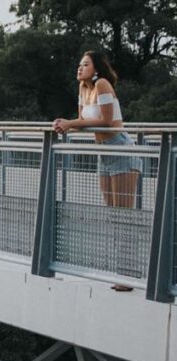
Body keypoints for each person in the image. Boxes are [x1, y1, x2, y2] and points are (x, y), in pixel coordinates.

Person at [52, 50, 140, 291]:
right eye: (79, 64)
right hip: (104, 152)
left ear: (97, 68)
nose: (79, 68)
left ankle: (128, 276)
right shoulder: (83, 88)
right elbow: (83, 119)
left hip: (120, 149)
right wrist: (64, 123)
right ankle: (122, 272)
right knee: (112, 215)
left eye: (85, 64)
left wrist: (70, 124)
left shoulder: (102, 84)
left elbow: (106, 121)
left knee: (124, 217)